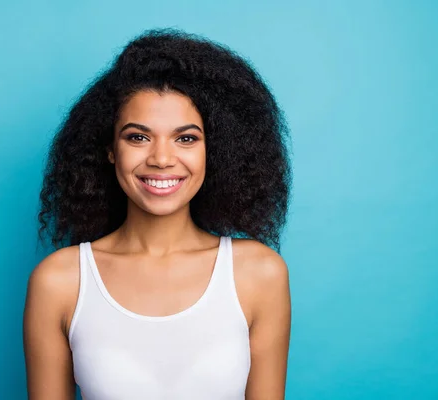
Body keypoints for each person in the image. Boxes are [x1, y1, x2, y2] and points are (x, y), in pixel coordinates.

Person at [23, 28, 292, 400]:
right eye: (138, 137)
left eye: (186, 138)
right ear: (109, 150)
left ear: (216, 151)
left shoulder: (259, 274)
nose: (162, 159)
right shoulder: (60, 282)